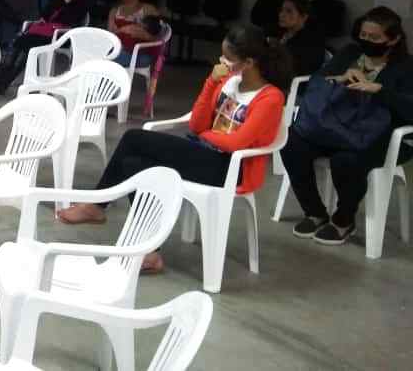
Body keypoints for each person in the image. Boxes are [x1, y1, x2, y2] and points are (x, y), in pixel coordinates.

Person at [58, 25, 290, 274]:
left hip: (230, 168)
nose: (221, 63)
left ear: (249, 63)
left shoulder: (270, 97)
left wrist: (206, 136)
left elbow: (236, 143)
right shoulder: (228, 81)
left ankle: (98, 205)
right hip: (205, 153)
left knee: (134, 138)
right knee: (133, 165)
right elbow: (197, 124)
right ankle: (149, 251)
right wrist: (211, 82)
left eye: (228, 58)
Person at [280, 7, 413, 245]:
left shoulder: (406, 67)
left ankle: (343, 220)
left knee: (346, 160)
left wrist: (380, 90)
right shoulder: (350, 53)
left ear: (393, 40)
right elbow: (317, 82)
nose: (367, 41)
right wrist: (339, 78)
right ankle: (315, 212)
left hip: (380, 135)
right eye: (364, 35)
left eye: (375, 38)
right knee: (290, 142)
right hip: (336, 126)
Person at [0, 0, 89, 94]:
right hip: (46, 31)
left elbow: (69, 20)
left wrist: (68, 1)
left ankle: (4, 79)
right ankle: (4, 77)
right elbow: (46, 14)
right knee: (22, 41)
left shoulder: (83, 1)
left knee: (26, 43)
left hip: (63, 35)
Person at [108, 0, 162, 68]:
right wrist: (121, 31)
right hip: (119, 50)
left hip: (141, 54)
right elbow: (110, 34)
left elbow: (159, 37)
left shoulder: (148, 9)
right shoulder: (115, 10)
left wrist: (143, 35)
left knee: (106, 60)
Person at [272, 0, 328, 77]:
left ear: (304, 17)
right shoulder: (276, 32)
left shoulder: (311, 41)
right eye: (281, 10)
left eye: (289, 11)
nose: (281, 15)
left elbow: (301, 69)